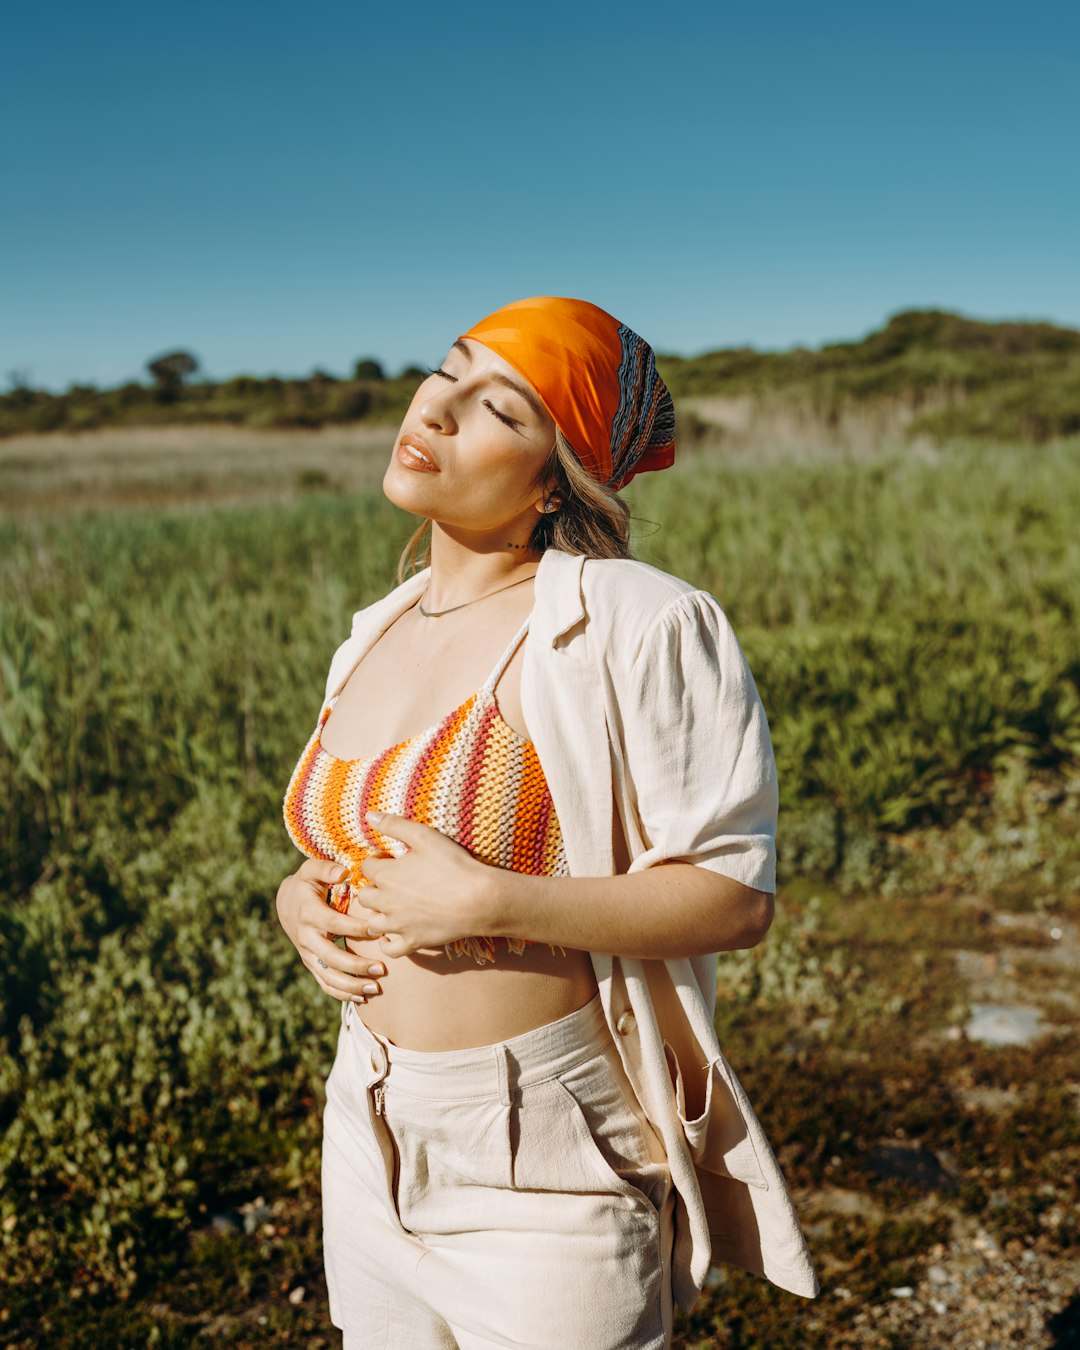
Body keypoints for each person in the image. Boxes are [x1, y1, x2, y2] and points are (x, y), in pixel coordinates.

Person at [275, 296, 818, 1349]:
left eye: (500, 409)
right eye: (448, 371)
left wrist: (497, 901)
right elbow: (348, 843)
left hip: (543, 1154)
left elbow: (736, 897)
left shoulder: (636, 620)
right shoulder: (373, 632)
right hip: (369, 1121)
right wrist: (299, 898)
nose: (436, 410)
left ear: (553, 476)